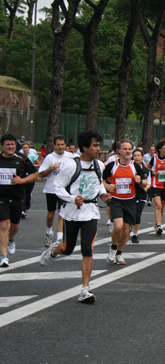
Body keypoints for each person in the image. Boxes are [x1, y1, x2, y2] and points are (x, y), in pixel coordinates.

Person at [40, 130, 112, 303]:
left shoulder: (99, 165)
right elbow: (58, 187)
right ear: (84, 147)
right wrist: (72, 199)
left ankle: (85, 289)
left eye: (98, 145)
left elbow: (97, 183)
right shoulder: (71, 165)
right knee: (67, 249)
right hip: (71, 212)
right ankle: (54, 250)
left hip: (91, 212)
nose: (98, 148)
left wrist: (103, 194)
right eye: (95, 145)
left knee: (88, 249)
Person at [103, 140, 146, 265]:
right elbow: (102, 179)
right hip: (116, 200)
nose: (127, 151)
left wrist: (139, 181)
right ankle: (113, 247)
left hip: (131, 201)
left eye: (129, 149)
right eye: (125, 149)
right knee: (118, 226)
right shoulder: (112, 165)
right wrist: (106, 185)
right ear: (119, 151)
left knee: (126, 230)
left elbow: (144, 183)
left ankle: (119, 253)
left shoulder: (136, 166)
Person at [0, 134, 38, 267]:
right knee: (4, 224)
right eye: (7, 144)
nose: (10, 147)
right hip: (1, 198)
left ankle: (11, 239)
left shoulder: (22, 159)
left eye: (12, 144)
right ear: (2, 146)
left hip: (17, 197)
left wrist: (22, 180)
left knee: (14, 226)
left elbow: (34, 174)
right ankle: (3, 256)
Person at [38, 135, 74, 246]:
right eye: (58, 144)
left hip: (63, 190)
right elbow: (41, 174)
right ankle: (48, 233)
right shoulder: (50, 157)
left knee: (61, 214)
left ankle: (59, 239)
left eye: (62, 144)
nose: (60, 147)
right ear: (54, 145)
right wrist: (52, 168)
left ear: (65, 145)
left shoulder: (71, 157)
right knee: (50, 214)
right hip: (51, 189)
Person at [148, 139, 165, 235]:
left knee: (162, 206)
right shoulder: (154, 158)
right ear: (159, 149)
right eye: (164, 148)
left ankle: (157, 223)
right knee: (158, 205)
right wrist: (153, 172)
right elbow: (148, 168)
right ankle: (159, 226)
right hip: (155, 184)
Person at [131, 148, 151, 243]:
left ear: (142, 157)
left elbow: (149, 182)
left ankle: (135, 234)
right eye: (135, 155)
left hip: (142, 195)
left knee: (137, 216)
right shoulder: (129, 168)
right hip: (131, 195)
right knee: (130, 215)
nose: (137, 157)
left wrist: (146, 188)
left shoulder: (146, 170)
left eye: (138, 155)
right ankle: (128, 228)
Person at [20, 142, 41, 218]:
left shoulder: (32, 155)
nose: (25, 149)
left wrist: (32, 165)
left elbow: (38, 164)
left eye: (26, 148)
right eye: (24, 148)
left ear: (29, 148)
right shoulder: (20, 156)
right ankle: (23, 209)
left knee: (28, 193)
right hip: (22, 176)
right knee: (23, 192)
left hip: (30, 176)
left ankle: (27, 205)